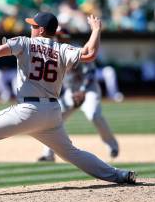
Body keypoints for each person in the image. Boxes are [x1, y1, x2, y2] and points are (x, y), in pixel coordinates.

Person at [0, 12, 136, 202]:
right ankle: (118, 175)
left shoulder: (25, 42)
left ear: (41, 30)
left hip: (29, 109)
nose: (31, 28)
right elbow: (90, 53)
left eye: (33, 25)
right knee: (72, 153)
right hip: (53, 112)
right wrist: (96, 30)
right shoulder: (63, 49)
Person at [38, 28, 119, 162]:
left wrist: (82, 91)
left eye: (58, 36)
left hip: (89, 89)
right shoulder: (53, 53)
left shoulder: (78, 50)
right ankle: (48, 154)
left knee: (94, 115)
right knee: (52, 118)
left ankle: (112, 146)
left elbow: (90, 73)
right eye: (55, 36)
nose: (56, 39)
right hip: (71, 91)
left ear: (66, 37)